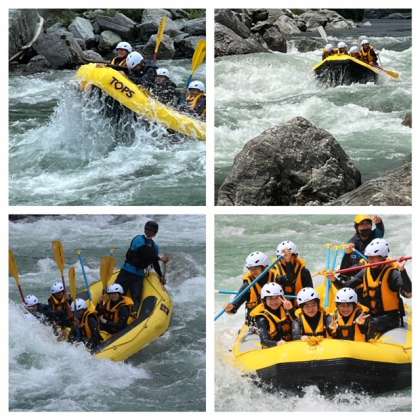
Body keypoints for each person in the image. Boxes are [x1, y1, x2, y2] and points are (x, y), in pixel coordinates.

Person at [329, 238, 412, 339]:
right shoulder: (365, 271)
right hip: (371, 314)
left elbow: (408, 293)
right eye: (369, 257)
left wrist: (402, 270)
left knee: (369, 323)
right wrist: (333, 279)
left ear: (383, 257)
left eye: (374, 257)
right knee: (351, 320)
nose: (371, 260)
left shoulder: (392, 273)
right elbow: (346, 286)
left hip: (390, 317)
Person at [115, 220, 169, 312]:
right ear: (144, 230)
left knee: (136, 299)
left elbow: (155, 263)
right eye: (147, 229)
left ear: (155, 233)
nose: (148, 231)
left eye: (151, 230)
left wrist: (160, 276)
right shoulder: (138, 239)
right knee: (117, 293)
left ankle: (133, 315)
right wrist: (160, 258)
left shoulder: (155, 247)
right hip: (126, 272)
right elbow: (144, 252)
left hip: (138, 276)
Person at [224, 251, 277, 321]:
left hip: (275, 320)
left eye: (256, 268)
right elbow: (234, 307)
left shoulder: (276, 278)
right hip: (255, 322)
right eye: (250, 269)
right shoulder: (247, 286)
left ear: (265, 267)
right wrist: (230, 308)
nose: (253, 271)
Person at [250, 282, 294, 347]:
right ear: (264, 300)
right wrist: (277, 344)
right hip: (273, 346)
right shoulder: (261, 318)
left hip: (288, 342)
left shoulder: (286, 308)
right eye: (270, 298)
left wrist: (291, 310)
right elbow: (264, 341)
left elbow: (299, 325)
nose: (274, 301)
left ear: (281, 298)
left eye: (277, 298)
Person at [273, 241, 313, 309]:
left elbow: (310, 293)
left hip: (300, 306)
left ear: (295, 257)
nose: (286, 259)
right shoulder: (274, 271)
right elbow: (289, 280)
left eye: (290, 256)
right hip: (281, 306)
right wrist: (288, 262)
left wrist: (288, 262)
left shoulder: (304, 272)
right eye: (284, 257)